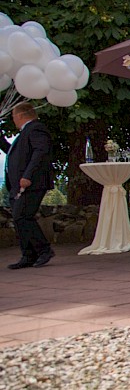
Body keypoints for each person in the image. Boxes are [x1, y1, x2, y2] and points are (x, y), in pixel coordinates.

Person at [2, 102, 55, 269]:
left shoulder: (36, 129)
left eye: (13, 117)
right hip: (21, 184)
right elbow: (17, 153)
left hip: (32, 182)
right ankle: (28, 254)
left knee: (22, 216)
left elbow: (41, 152)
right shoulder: (26, 132)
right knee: (20, 218)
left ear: (20, 115)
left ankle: (43, 250)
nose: (13, 120)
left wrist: (27, 176)